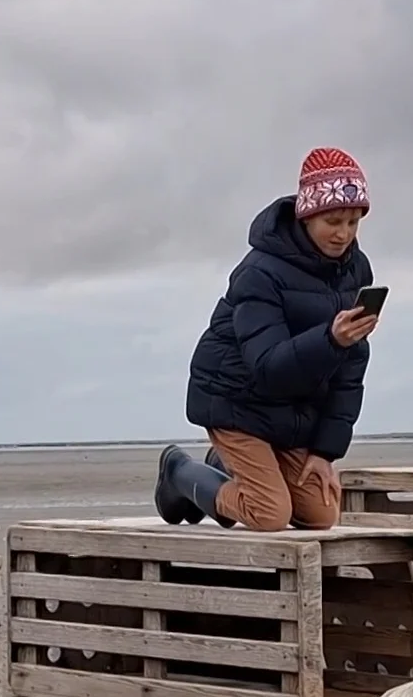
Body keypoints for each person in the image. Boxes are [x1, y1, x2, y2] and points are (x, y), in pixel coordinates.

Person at [155, 147, 378, 531]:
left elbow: (350, 368)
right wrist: (330, 339)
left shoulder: (353, 271)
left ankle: (223, 465)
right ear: (307, 215)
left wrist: (325, 453)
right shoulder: (259, 273)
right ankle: (179, 473)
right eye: (334, 220)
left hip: (286, 413)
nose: (344, 234)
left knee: (322, 514)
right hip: (234, 399)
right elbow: (268, 368)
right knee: (268, 513)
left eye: (354, 222)